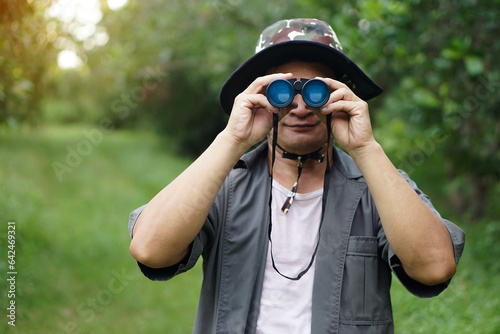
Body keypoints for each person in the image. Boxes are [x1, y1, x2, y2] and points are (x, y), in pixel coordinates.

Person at [128, 18, 465, 334]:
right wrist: (233, 139)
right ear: (259, 96)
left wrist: (366, 148)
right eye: (283, 90)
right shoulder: (224, 184)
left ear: (340, 96)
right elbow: (150, 249)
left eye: (317, 90)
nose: (301, 107)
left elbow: (434, 267)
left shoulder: (378, 188)